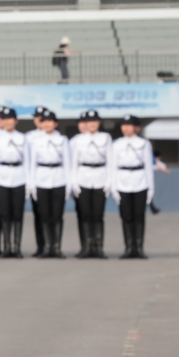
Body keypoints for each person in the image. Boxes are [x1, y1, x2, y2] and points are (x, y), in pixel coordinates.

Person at [69, 110, 113, 259]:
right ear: (85, 124)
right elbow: (74, 163)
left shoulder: (105, 138)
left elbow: (110, 161)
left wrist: (109, 181)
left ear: (99, 123)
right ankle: (87, 247)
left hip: (100, 177)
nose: (92, 124)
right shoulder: (77, 140)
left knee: (98, 215)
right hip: (83, 178)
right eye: (89, 121)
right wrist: (74, 183)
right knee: (86, 215)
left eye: (95, 121)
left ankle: (98, 247)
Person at [0, 106, 30, 259]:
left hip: (19, 177)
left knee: (18, 215)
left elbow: (27, 162)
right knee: (4, 215)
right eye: (4, 119)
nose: (7, 122)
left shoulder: (22, 138)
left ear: (16, 121)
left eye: (10, 119)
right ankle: (6, 247)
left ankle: (17, 247)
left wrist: (29, 183)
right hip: (2, 178)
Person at [28, 110, 71, 258]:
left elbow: (67, 163)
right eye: (44, 121)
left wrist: (68, 184)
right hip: (42, 179)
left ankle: (57, 247)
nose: (47, 124)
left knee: (57, 215)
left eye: (50, 121)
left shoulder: (62, 140)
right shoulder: (36, 141)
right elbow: (32, 164)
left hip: (59, 178)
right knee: (44, 215)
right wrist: (32, 185)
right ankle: (47, 247)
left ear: (55, 123)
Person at [111, 115, 154, 259]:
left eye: (129, 125)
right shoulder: (116, 144)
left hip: (140, 181)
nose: (126, 128)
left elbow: (148, 166)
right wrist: (114, 187)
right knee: (126, 216)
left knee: (139, 216)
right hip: (123, 182)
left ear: (137, 128)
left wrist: (151, 187)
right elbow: (113, 167)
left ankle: (139, 248)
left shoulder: (144, 144)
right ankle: (129, 247)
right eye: (124, 125)